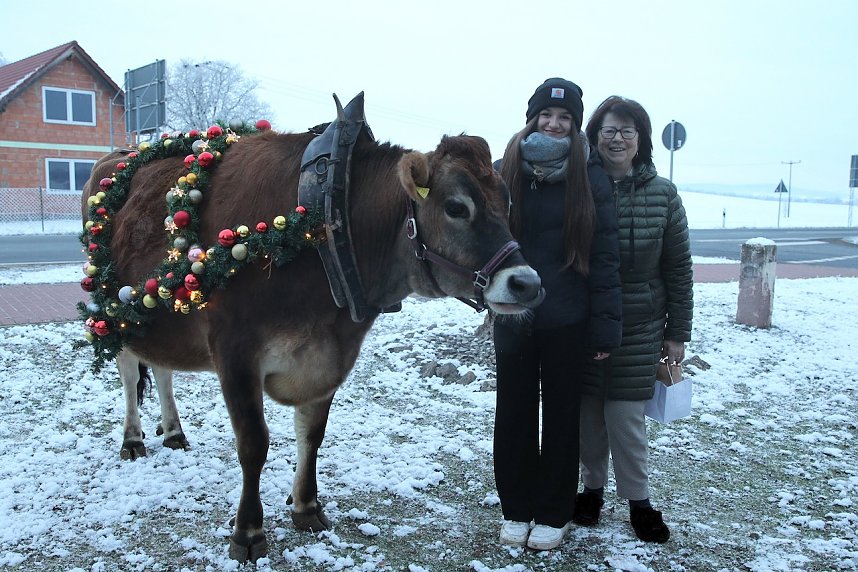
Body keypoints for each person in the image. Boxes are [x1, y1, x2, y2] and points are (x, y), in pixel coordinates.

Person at [493, 78, 622, 551]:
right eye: (547, 115)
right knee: (513, 414)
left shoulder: (590, 176)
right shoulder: (502, 170)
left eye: (565, 118)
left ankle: (553, 512)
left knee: (562, 417)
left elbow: (606, 257)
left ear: (574, 125)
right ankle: (516, 506)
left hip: (569, 316)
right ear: (533, 118)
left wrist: (606, 325)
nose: (554, 123)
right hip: (513, 314)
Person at [574, 95, 693, 543]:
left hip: (640, 327)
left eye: (627, 130)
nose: (617, 138)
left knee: (625, 418)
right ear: (595, 137)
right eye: (608, 130)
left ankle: (639, 502)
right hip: (584, 324)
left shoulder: (663, 194)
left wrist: (677, 333)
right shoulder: (579, 188)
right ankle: (591, 492)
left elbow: (679, 269)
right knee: (588, 416)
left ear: (640, 139)